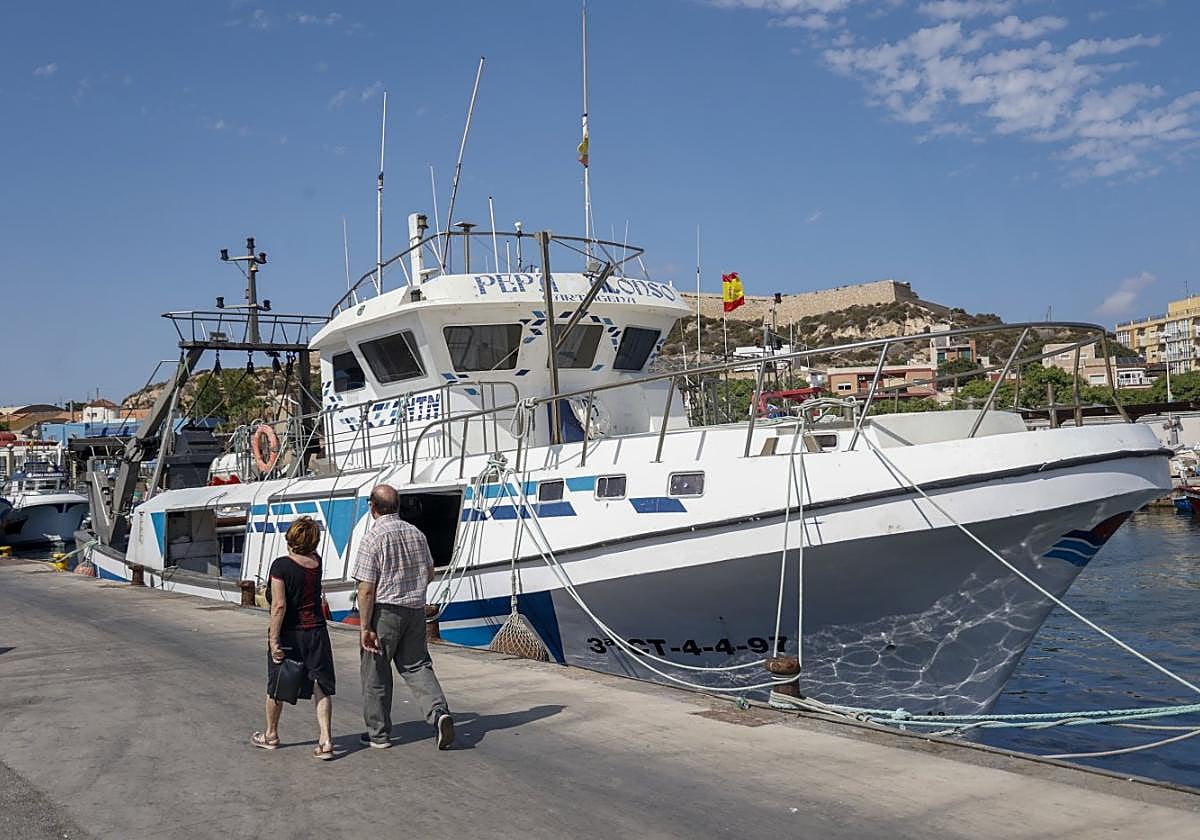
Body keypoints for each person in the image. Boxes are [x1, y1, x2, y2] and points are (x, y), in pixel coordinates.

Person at [353, 484, 454, 750]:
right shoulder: (417, 534)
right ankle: (438, 713)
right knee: (417, 665)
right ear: (397, 506)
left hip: (385, 611)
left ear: (372, 507)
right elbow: (430, 572)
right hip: (415, 610)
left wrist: (365, 627)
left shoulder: (373, 538)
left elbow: (366, 589)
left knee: (375, 670)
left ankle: (379, 734)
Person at [252, 516, 337, 759]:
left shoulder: (281, 566)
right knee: (321, 684)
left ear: (290, 538)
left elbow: (278, 606)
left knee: (277, 685)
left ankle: (271, 734)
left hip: (290, 633)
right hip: (317, 632)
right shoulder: (316, 562)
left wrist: (274, 640)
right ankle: (326, 740)